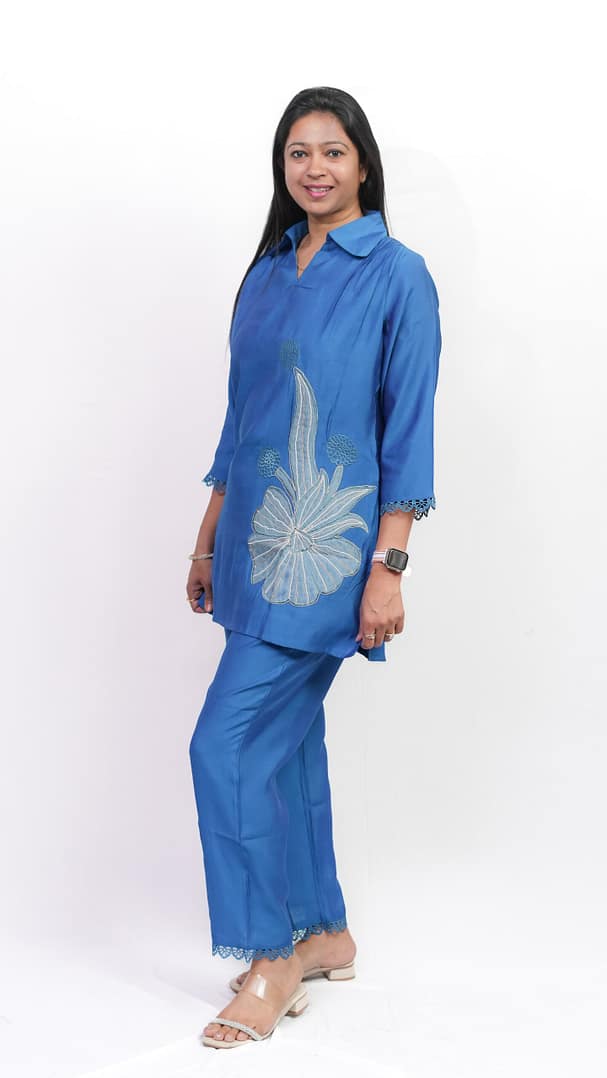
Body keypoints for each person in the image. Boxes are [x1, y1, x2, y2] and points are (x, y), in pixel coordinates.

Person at [186, 86, 442, 1049]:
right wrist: (207, 538)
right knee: (287, 750)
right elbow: (241, 420)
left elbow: (407, 430)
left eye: (332, 151)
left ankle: (270, 956)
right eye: (298, 152)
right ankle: (323, 931)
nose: (315, 168)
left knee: (223, 747)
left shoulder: (397, 276)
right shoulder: (265, 271)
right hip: (248, 550)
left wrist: (390, 566)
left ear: (362, 163)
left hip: (325, 559)